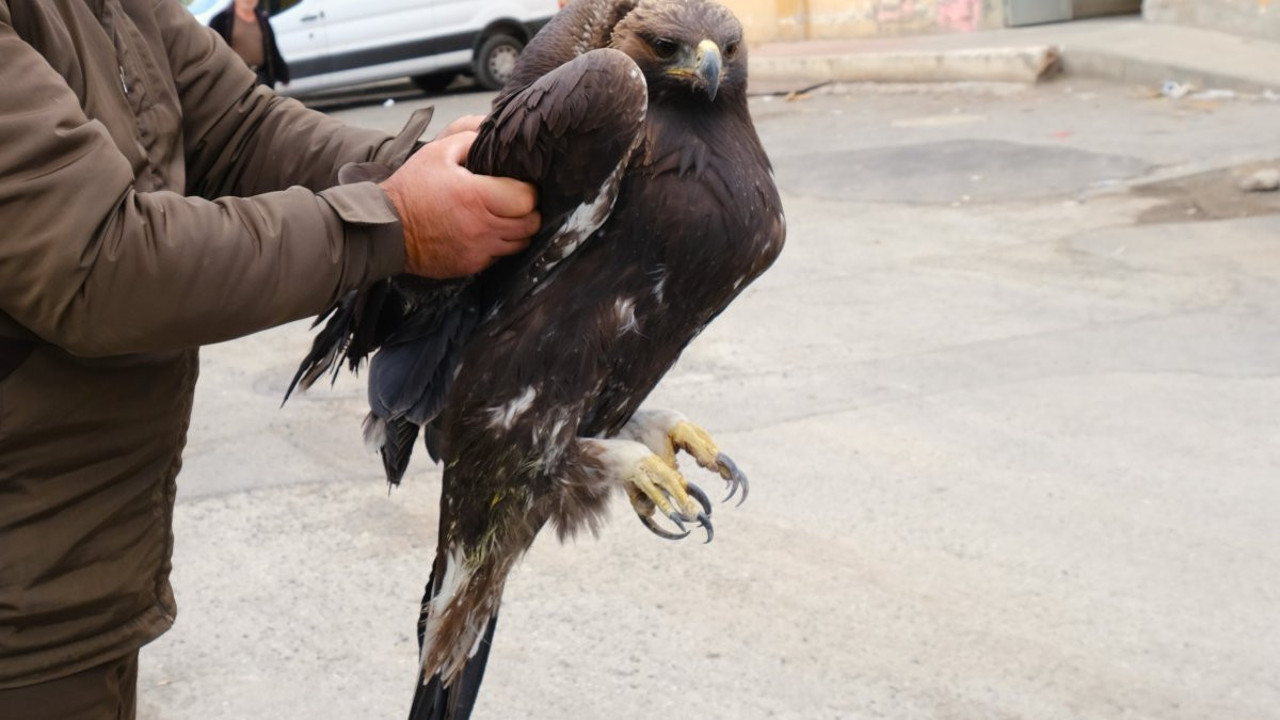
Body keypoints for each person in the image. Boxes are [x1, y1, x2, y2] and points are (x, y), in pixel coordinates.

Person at [0, 1, 539, 718]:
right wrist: (395, 224)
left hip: (75, 569)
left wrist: (433, 166)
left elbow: (239, 128)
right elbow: (96, 262)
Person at [209, 0, 290, 87]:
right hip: (235, 81)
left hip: (261, 78)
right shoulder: (220, 21)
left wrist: (283, 74)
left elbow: (272, 50)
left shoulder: (263, 21)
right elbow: (214, 56)